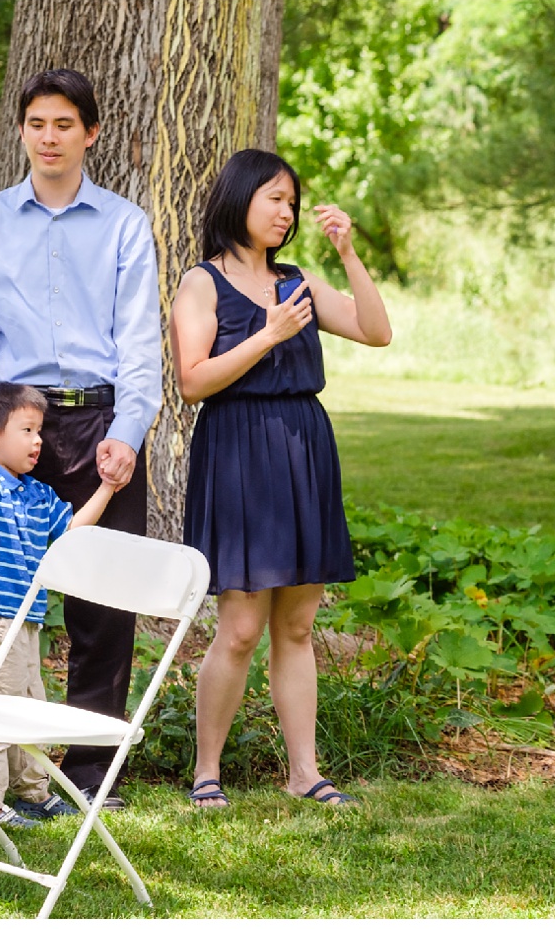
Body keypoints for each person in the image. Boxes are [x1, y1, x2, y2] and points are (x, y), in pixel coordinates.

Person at [169, 149, 391, 809]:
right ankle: (206, 770)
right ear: (239, 200)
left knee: (296, 627)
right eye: (274, 198)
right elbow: (192, 381)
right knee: (239, 629)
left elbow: (377, 332)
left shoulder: (299, 282)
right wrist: (266, 336)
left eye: (292, 201)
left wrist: (349, 255)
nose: (286, 211)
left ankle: (304, 772)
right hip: (237, 452)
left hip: (302, 451)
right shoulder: (201, 284)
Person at [0, 69, 162, 811]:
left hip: (99, 426)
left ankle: (90, 775)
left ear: (90, 133)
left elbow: (140, 346)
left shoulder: (124, 224)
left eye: (65, 124)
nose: (49, 137)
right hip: (9, 427)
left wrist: (126, 434)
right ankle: (2, 770)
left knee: (102, 605)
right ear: (21, 131)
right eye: (36, 123)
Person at [0, 382, 120, 828]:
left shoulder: (38, 494)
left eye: (39, 431)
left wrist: (105, 489)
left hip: (27, 622)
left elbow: (70, 534)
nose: (38, 440)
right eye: (26, 430)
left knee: (29, 705)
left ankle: (32, 793)